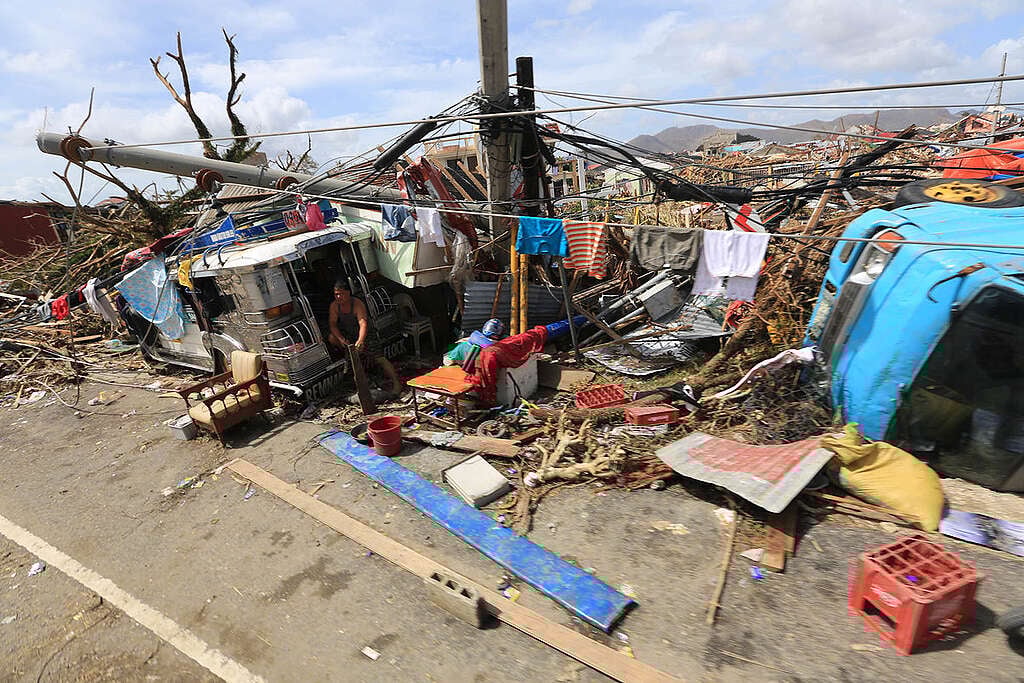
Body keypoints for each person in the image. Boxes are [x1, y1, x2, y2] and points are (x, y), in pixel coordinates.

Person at [328, 281, 402, 394]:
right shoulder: (334, 306)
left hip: (366, 333)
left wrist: (361, 340)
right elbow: (332, 324)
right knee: (337, 344)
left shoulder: (357, 304)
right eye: (336, 294)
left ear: (348, 293)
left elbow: (363, 323)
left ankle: (397, 383)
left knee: (379, 358)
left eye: (341, 294)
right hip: (349, 335)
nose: (339, 297)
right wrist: (341, 339)